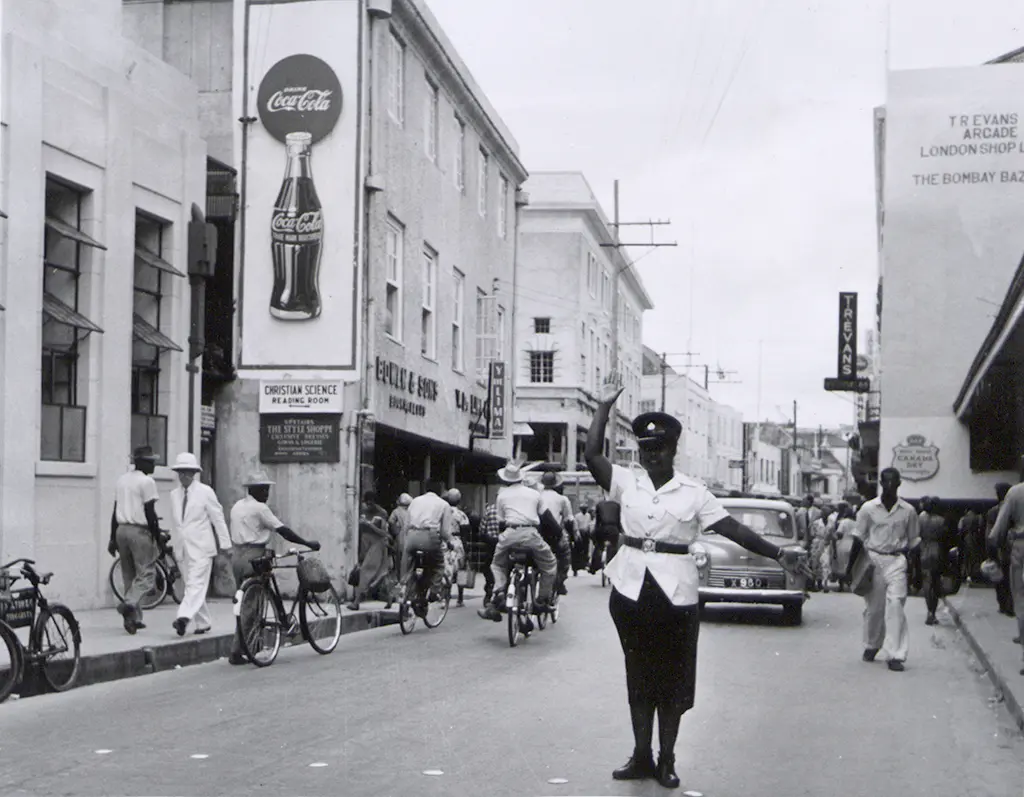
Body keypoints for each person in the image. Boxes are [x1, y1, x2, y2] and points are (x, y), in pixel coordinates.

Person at [584, 387, 809, 788]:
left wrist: (778, 553)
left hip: (676, 594)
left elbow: (734, 528)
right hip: (630, 589)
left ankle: (667, 758)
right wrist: (603, 407)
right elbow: (592, 456)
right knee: (637, 675)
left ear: (674, 451)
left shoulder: (694, 493)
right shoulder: (626, 483)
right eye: (646, 448)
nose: (652, 455)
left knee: (672, 680)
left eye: (661, 448)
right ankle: (641, 755)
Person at [227, 470, 321, 665]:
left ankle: (250, 646)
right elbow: (283, 530)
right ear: (256, 490)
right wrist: (307, 543)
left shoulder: (237, 506)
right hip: (255, 554)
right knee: (253, 605)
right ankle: (238, 651)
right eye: (265, 489)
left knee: (243, 603)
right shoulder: (260, 508)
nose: (267, 493)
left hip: (236, 556)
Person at [844, 467, 920, 672]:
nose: (889, 486)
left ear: (899, 484)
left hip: (897, 561)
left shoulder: (908, 511)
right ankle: (872, 644)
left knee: (896, 605)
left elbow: (914, 543)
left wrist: (917, 572)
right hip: (874, 560)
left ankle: (895, 654)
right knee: (875, 609)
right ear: (880, 483)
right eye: (885, 482)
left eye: (893, 482)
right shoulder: (868, 509)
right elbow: (858, 539)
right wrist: (849, 569)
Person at [477, 462, 559, 622]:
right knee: (549, 565)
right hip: (531, 535)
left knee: (497, 565)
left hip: (510, 534)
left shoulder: (501, 496)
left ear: (505, 480)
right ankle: (541, 600)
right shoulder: (535, 494)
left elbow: (501, 523)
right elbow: (547, 519)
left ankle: (499, 592)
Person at [169, 452, 232, 637]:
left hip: (202, 548)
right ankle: (203, 623)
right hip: (182, 549)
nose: (183, 476)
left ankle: (183, 617)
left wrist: (225, 543)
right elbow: (176, 524)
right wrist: (174, 546)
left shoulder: (205, 492)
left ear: (195, 473)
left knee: (195, 585)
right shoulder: (174, 494)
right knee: (192, 586)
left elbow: (217, 518)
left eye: (187, 472)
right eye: (180, 472)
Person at [109, 445, 163, 634]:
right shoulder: (147, 482)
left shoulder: (122, 480)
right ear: (143, 463)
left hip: (121, 530)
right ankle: (129, 604)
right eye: (152, 462)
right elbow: (150, 513)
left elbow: (114, 511)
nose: (154, 465)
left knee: (128, 576)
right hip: (139, 531)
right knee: (147, 575)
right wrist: (157, 536)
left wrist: (111, 538)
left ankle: (133, 620)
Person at [987, 459, 1024, 663]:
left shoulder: (1016, 493)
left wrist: (994, 547)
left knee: (1020, 598)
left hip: (1021, 547)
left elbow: (997, 531)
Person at [402, 490, 456, 616]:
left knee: (411, 566)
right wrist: (449, 542)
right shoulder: (443, 504)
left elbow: (406, 524)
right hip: (429, 537)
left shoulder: (415, 501)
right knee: (438, 564)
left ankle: (407, 593)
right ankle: (434, 591)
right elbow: (444, 532)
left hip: (412, 535)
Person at [348, 492, 394, 611]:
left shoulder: (382, 513)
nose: (368, 505)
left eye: (371, 502)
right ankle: (389, 598)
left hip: (377, 543)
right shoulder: (362, 510)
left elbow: (384, 533)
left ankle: (356, 601)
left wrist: (369, 525)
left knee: (366, 571)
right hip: (365, 543)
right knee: (381, 574)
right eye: (366, 502)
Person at [538, 471, 574, 596]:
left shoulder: (537, 496)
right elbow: (568, 520)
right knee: (565, 554)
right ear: (555, 484)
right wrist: (572, 536)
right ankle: (560, 582)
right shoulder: (562, 499)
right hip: (554, 535)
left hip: (537, 534)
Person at [918, 496, 950, 626]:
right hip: (937, 551)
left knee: (927, 581)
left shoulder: (921, 518)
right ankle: (933, 612)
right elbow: (945, 538)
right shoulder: (941, 520)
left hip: (924, 549)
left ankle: (928, 611)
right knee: (936, 582)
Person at [985, 484, 1014, 616]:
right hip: (1013, 548)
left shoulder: (993, 511)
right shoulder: (1015, 509)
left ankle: (1002, 604)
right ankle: (1010, 605)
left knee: (999, 578)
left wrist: (989, 553)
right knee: (1011, 578)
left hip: (999, 549)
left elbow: (989, 535)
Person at [444, 489, 470, 606]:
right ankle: (460, 599)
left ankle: (446, 598)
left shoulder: (443, 513)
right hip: (457, 542)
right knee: (461, 570)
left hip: (444, 543)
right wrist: (466, 549)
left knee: (446, 570)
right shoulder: (461, 515)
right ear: (459, 500)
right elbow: (465, 533)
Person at [388, 493, 413, 576]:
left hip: (400, 536)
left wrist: (396, 532)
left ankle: (400, 578)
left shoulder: (396, 511)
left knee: (399, 558)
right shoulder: (411, 511)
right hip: (411, 535)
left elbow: (391, 522)